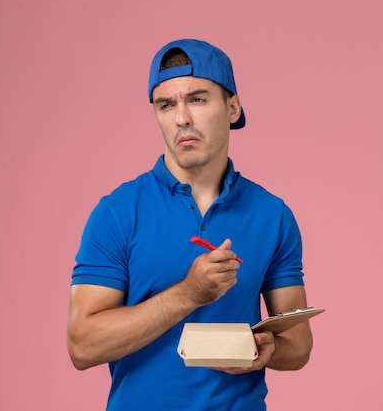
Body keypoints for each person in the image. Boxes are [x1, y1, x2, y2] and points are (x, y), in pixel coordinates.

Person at [67, 38, 314, 411]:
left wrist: (267, 350)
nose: (181, 117)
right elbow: (82, 346)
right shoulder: (117, 213)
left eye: (197, 99)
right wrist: (189, 293)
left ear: (232, 107)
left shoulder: (272, 215)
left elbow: (298, 344)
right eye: (166, 105)